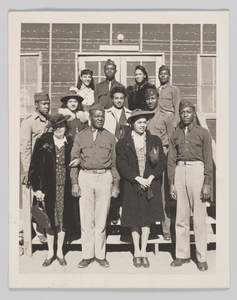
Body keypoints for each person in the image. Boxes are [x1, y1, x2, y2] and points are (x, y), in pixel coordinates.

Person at [70, 103, 120, 268]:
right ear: (90, 117)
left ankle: (100, 255)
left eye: (102, 116)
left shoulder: (110, 137)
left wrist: (115, 184)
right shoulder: (80, 136)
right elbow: (73, 163)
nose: (100, 118)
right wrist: (75, 183)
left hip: (104, 178)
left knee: (101, 219)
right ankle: (87, 255)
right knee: (86, 218)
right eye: (97, 116)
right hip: (85, 177)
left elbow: (115, 164)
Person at [116, 109, 167, 268]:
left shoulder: (154, 140)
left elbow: (162, 162)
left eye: (144, 122)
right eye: (139, 122)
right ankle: (136, 251)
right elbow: (121, 164)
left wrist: (151, 178)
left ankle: (144, 251)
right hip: (132, 185)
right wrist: (137, 178)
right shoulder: (123, 143)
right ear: (132, 124)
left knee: (147, 219)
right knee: (135, 219)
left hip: (150, 185)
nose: (142, 125)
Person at [168, 100, 212, 272]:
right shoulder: (175, 134)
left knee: (199, 219)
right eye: (182, 112)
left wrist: (207, 183)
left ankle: (201, 257)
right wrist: (171, 183)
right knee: (181, 217)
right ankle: (182, 255)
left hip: (197, 171)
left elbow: (208, 160)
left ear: (194, 113)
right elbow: (171, 160)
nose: (185, 114)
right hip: (180, 171)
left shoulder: (203, 133)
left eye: (188, 112)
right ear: (179, 114)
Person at [28, 114, 76, 267]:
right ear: (51, 128)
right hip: (48, 186)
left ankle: (60, 251)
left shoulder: (71, 143)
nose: (58, 129)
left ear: (66, 127)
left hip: (65, 186)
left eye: (61, 126)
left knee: (62, 220)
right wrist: (37, 188)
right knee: (49, 220)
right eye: (55, 127)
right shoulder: (43, 142)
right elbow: (35, 167)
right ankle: (50, 252)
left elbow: (78, 159)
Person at [20, 91, 50, 243]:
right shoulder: (29, 121)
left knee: (45, 198)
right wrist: (27, 169)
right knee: (35, 200)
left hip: (48, 167)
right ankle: (37, 230)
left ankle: (44, 228)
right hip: (34, 167)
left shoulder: (50, 121)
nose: (47, 106)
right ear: (36, 105)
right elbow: (25, 147)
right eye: (44, 104)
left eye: (48, 103)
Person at [145, 88, 172, 240]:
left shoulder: (165, 116)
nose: (150, 101)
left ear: (158, 98)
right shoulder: (145, 117)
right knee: (149, 192)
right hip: (147, 158)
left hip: (162, 156)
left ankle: (166, 228)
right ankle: (149, 229)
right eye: (148, 99)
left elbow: (170, 138)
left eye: (153, 98)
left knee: (163, 194)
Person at [103, 86, 131, 224]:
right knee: (113, 180)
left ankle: (124, 213)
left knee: (125, 180)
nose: (119, 101)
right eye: (116, 98)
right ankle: (113, 214)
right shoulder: (106, 114)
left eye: (121, 98)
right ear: (112, 99)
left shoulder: (129, 114)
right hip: (111, 151)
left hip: (125, 152)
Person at [157, 65, 181, 137]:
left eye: (165, 74)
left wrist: (175, 123)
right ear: (158, 76)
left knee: (171, 142)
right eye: (161, 74)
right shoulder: (157, 90)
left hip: (169, 119)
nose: (163, 76)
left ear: (169, 76)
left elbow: (177, 107)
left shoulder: (174, 90)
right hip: (159, 119)